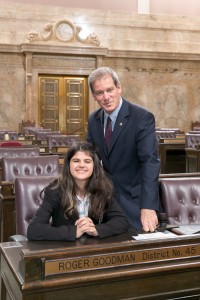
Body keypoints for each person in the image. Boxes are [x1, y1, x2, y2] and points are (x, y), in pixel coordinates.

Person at [87, 67, 161, 232]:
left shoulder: (142, 117)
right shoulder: (93, 120)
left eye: (110, 90)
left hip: (137, 205)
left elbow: (150, 163)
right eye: (99, 93)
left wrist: (148, 206)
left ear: (119, 88)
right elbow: (90, 158)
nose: (106, 97)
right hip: (105, 204)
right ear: (93, 96)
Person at [27, 141, 129, 241]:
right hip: (64, 252)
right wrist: (73, 231)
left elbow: (122, 221)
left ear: (94, 166)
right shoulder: (55, 191)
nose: (81, 165)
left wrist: (97, 230)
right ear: (68, 165)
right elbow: (34, 230)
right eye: (76, 161)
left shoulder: (104, 188)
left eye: (87, 161)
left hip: (95, 250)